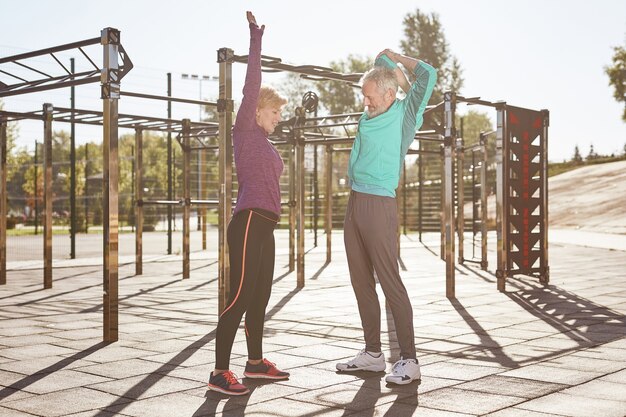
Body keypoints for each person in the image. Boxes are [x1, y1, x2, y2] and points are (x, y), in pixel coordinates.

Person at [336, 49, 437, 385]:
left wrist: (396, 57)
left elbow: (428, 76)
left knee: (390, 282)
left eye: (370, 97)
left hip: (379, 204)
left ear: (390, 94)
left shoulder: (405, 114)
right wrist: (384, 61)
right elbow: (380, 63)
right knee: (361, 282)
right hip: (355, 202)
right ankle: (373, 354)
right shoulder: (375, 105)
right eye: (364, 97)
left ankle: (409, 360)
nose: (366, 103)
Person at [208, 11, 290, 396]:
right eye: (275, 112)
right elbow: (251, 84)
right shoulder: (245, 130)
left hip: (267, 224)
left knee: (260, 296)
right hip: (248, 221)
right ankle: (219, 371)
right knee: (239, 295)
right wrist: (256, 40)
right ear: (258, 110)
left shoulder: (268, 144)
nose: (278, 118)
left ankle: (255, 363)